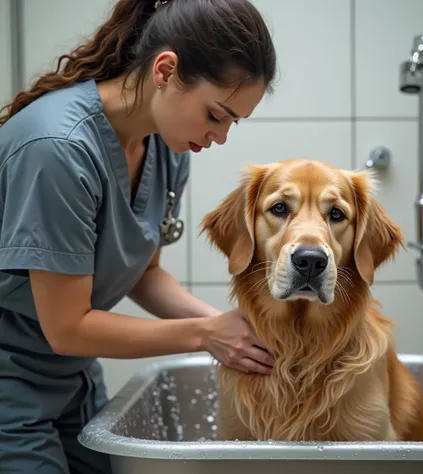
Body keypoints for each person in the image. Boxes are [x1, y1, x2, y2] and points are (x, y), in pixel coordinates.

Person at [0, 0, 277, 472]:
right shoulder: (58, 151)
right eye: (216, 114)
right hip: (10, 385)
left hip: (75, 381)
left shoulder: (167, 148)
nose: (222, 136)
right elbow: (66, 328)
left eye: (234, 121)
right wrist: (204, 335)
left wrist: (236, 332)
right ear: (165, 70)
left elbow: (143, 274)